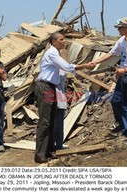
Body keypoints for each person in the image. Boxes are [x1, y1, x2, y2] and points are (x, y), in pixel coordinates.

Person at [35, 32, 94, 163]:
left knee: (51, 121)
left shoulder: (56, 53)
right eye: (61, 39)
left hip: (51, 87)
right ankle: (40, 154)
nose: (64, 41)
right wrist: (85, 65)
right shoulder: (52, 53)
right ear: (54, 41)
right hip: (44, 87)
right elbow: (67, 67)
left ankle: (49, 151)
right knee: (45, 121)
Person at [90, 17, 127, 137]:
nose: (119, 31)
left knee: (126, 102)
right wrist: (96, 62)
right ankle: (122, 124)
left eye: (120, 28)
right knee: (115, 100)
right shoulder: (122, 40)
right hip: (121, 73)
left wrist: (126, 69)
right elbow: (111, 53)